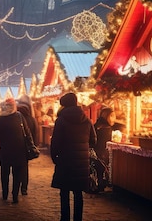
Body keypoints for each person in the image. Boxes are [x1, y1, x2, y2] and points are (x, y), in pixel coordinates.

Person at [50, 92, 96, 221]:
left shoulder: (61, 120)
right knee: (78, 192)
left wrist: (55, 157)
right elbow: (93, 140)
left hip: (65, 160)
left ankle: (65, 218)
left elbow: (55, 142)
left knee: (64, 191)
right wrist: (83, 147)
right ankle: (78, 218)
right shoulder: (87, 120)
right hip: (81, 162)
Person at [0, 98, 32, 204]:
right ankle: (15, 195)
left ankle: (5, 194)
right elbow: (27, 132)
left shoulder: (1, 119)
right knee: (17, 174)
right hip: (19, 150)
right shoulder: (19, 116)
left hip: (6, 149)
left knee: (5, 173)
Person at [16, 94, 38, 196]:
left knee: (17, 167)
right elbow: (35, 132)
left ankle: (16, 186)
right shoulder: (31, 119)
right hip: (27, 147)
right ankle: (24, 188)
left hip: (18, 147)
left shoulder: (16, 119)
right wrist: (34, 145)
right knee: (24, 168)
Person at [93, 106, 115, 191]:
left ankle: (98, 184)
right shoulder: (106, 127)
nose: (114, 118)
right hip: (102, 151)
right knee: (101, 168)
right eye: (112, 116)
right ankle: (100, 184)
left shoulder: (97, 124)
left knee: (98, 169)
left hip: (97, 150)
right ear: (107, 116)